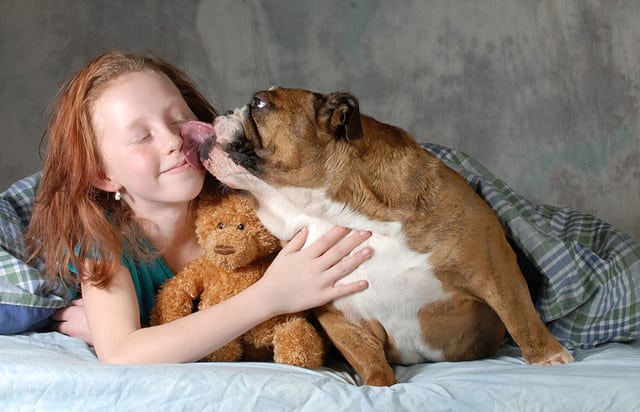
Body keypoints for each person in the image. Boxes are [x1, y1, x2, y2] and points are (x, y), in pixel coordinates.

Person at [26, 51, 371, 364]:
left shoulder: (248, 205)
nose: (174, 140)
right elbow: (121, 352)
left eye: (179, 119)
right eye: (142, 137)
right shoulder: (105, 243)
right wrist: (270, 296)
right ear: (103, 174)